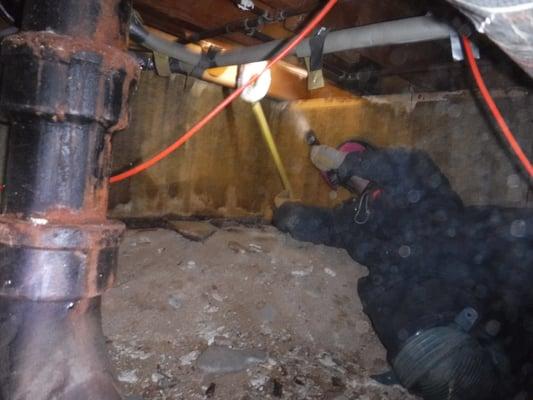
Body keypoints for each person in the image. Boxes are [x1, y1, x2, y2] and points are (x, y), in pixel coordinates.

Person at [273, 142, 533, 400]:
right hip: (430, 339)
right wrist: (285, 210)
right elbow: (321, 224)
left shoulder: (420, 185)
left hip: (472, 313)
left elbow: (406, 165)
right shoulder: (355, 218)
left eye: (357, 157)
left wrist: (344, 161)